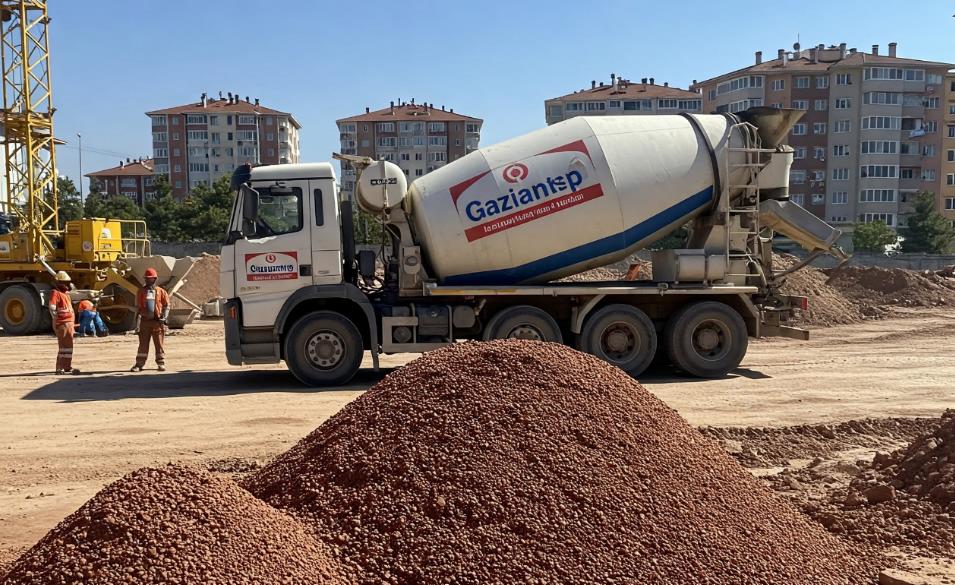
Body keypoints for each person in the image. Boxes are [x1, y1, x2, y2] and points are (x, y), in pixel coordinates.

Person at [131, 267, 169, 372]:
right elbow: (138, 307)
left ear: (155, 279)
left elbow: (166, 306)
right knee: (143, 344)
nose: (148, 280)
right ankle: (139, 364)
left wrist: (164, 317)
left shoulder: (161, 292)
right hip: (144, 321)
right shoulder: (141, 292)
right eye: (147, 278)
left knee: (159, 344)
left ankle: (161, 363)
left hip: (157, 322)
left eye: (150, 278)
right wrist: (137, 324)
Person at [49, 271, 79, 375]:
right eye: (64, 282)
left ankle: (67, 366)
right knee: (63, 347)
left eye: (67, 282)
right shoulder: (55, 293)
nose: (66, 284)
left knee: (69, 347)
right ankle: (60, 367)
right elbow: (52, 307)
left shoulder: (66, 294)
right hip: (62, 323)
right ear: (58, 282)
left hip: (69, 323)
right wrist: (55, 319)